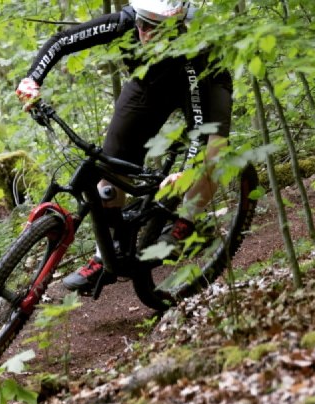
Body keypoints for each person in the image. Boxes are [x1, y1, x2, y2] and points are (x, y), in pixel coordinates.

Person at [15, 0, 233, 293]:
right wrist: (32, 79)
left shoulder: (192, 47)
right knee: (110, 162)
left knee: (212, 151)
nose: (142, 31)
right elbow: (63, 41)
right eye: (141, 23)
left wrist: (190, 167)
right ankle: (106, 252)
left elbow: (200, 126)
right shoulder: (128, 20)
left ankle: (186, 224)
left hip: (204, 80)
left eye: (153, 27)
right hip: (151, 79)